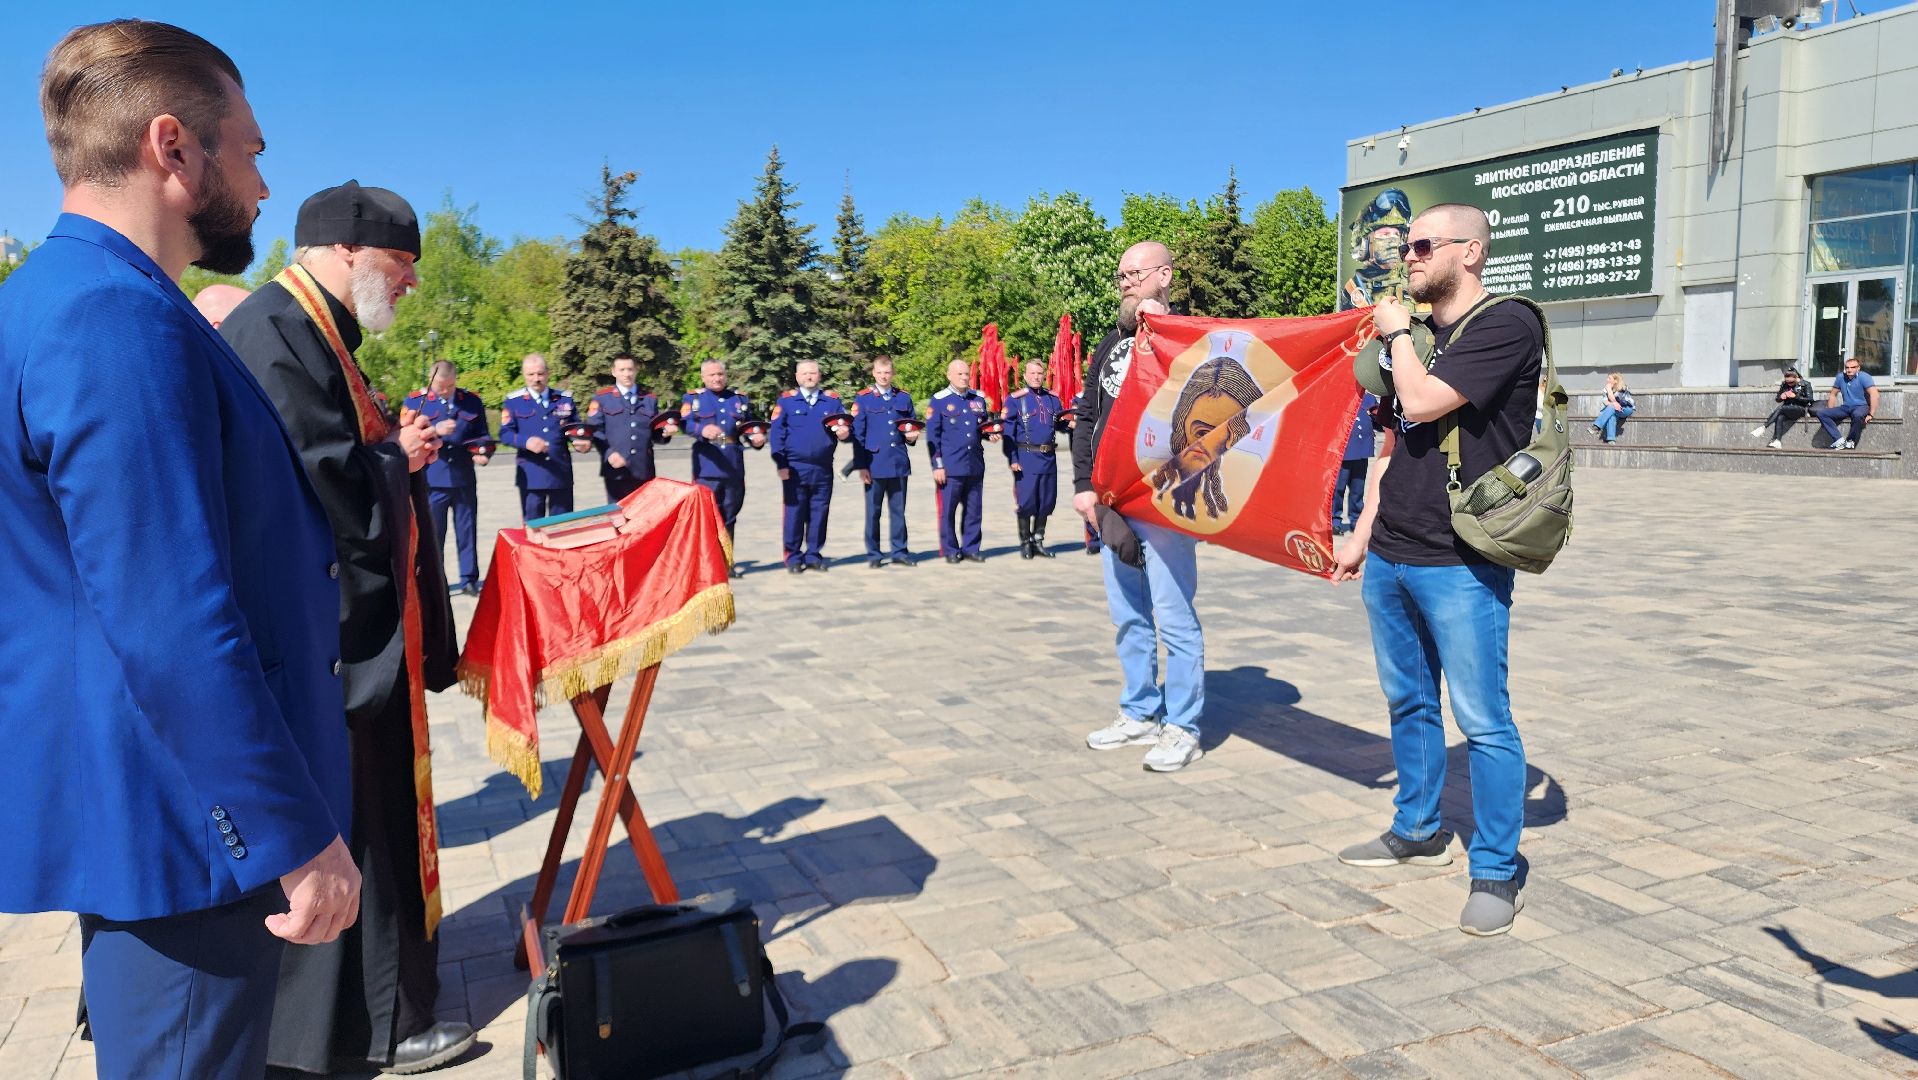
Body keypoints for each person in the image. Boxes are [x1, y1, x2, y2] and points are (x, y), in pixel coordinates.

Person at [1, 22, 359, 1080]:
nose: (258, 182)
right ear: (173, 147)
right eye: (246, 149)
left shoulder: (55, 297)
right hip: (186, 823)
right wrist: (288, 831)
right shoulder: (113, 315)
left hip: (154, 801)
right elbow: (166, 610)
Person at [222, 181, 473, 1074]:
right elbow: (316, 488)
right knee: (356, 828)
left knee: (369, 823)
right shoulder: (277, 332)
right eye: (401, 265)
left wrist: (383, 453)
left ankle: (381, 1014)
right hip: (326, 647)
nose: (407, 284)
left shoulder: (314, 330)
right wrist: (393, 460)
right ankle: (371, 1030)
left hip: (338, 638)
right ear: (348, 250)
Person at [1329, 202, 1539, 937]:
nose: (1409, 257)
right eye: (1407, 246)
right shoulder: (1421, 335)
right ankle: (1415, 830)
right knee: (1408, 702)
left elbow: (1421, 399)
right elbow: (1392, 443)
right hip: (1393, 553)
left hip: (1462, 561)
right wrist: (1360, 534)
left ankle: (1495, 869)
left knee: (1483, 721)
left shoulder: (1508, 326)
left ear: (1471, 251)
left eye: (1422, 245)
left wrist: (1392, 336)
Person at [1072, 242, 1206, 773]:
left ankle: (1183, 726)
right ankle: (1139, 711)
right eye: (1121, 274)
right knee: (1129, 615)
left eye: (1136, 273)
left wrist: (1164, 330)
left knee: (1174, 617)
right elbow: (1087, 417)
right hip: (1111, 502)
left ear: (1164, 276)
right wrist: (1084, 485)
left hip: (1168, 501)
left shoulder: (1193, 338)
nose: (1125, 282)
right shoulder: (1110, 342)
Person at [405, 360, 491, 597]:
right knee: (433, 534)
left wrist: (483, 453)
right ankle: (435, 582)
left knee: (467, 530)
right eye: (441, 387)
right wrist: (436, 429)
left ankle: (469, 579)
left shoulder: (471, 401)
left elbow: (483, 435)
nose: (446, 391)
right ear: (431, 381)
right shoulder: (416, 403)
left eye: (451, 385)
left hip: (464, 477)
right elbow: (408, 436)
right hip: (433, 479)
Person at [680, 358, 759, 574]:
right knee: (706, 516)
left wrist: (757, 439)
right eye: (712, 375)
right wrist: (701, 431)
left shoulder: (738, 398)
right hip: (708, 465)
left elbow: (748, 426)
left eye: (720, 374)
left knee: (730, 514)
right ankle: (705, 564)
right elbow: (684, 422)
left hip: (733, 463)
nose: (717, 378)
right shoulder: (694, 398)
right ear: (703, 377)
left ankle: (726, 562)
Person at [768, 359, 848, 571]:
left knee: (819, 512)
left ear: (819, 375)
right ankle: (793, 557)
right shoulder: (786, 402)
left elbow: (847, 429)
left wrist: (845, 433)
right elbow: (777, 435)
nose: (809, 377)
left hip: (823, 467)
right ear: (797, 377)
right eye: (805, 374)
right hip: (795, 467)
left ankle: (813, 555)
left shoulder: (831, 402)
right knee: (795, 512)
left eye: (813, 373)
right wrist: (781, 463)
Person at [500, 353, 585, 519]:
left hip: (560, 472)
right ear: (524, 375)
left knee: (562, 526)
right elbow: (505, 434)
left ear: (548, 373)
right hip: (531, 473)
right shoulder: (514, 401)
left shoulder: (563, 399)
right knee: (533, 528)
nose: (536, 379)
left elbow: (575, 429)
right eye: (530, 374)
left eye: (540, 374)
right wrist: (526, 442)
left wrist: (580, 441)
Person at [926, 358, 995, 563]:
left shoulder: (978, 398)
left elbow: (981, 426)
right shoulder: (939, 400)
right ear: (949, 376)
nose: (964, 377)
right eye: (959, 374)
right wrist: (937, 466)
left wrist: (990, 434)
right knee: (948, 511)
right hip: (950, 466)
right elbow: (932, 437)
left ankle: (971, 548)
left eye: (966, 374)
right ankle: (950, 549)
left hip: (974, 464)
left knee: (974, 509)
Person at [851, 356, 917, 567]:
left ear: (892, 373)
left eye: (887, 372)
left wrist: (913, 438)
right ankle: (874, 555)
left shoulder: (903, 398)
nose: (884, 376)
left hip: (898, 463)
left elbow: (911, 426)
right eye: (880, 372)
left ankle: (899, 552)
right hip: (874, 464)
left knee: (898, 511)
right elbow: (858, 435)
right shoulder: (864, 399)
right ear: (874, 373)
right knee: (874, 512)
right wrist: (861, 466)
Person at [1003, 359, 1064, 559]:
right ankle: (1025, 542)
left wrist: (1073, 422)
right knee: (1026, 501)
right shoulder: (1015, 400)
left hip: (1048, 457)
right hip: (1026, 457)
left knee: (1046, 501)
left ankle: (1038, 540)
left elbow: (1060, 424)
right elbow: (1008, 433)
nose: (1036, 377)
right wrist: (1012, 458)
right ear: (1025, 376)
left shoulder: (1053, 399)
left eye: (1039, 373)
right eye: (1032, 373)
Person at [587, 353, 665, 502]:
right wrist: (609, 453)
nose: (626, 374)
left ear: (636, 370)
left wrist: (666, 433)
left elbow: (656, 434)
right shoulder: (603, 398)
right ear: (613, 372)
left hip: (643, 468)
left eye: (630, 369)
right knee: (619, 516)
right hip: (616, 468)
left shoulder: (649, 399)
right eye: (622, 370)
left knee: (644, 516)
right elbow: (595, 430)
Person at [1341, 188, 1413, 310]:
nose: (1392, 241)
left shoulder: (1414, 287)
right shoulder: (1352, 292)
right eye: (1384, 234)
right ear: (1365, 243)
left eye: (1396, 235)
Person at [1334, 390, 1379, 535]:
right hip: (1343, 451)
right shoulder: (1337, 396)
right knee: (1338, 489)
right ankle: (1335, 521)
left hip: (1361, 451)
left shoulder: (1369, 398)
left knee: (1357, 490)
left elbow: (1378, 421)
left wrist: (1377, 414)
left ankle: (1357, 520)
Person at [1817, 355, 1878, 450]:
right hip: (1845, 407)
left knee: (1857, 415)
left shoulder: (1864, 377)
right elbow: (1833, 394)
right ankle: (1838, 439)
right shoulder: (1840, 377)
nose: (1849, 370)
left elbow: (1874, 394)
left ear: (1858, 368)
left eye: (1853, 367)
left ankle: (1850, 441)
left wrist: (1871, 414)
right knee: (1821, 413)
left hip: (1861, 406)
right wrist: (1831, 410)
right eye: (1847, 367)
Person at [1756, 367, 1813, 448]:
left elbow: (1810, 399)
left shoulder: (1805, 384)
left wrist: (1795, 397)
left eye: (1791, 382)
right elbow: (1777, 398)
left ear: (1796, 378)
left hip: (1801, 408)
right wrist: (1781, 397)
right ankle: (1777, 441)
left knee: (1781, 408)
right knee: (1780, 417)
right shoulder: (1784, 384)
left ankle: (1764, 426)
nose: (1789, 384)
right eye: (1787, 382)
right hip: (1787, 408)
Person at [1590, 373, 1635, 444]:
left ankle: (1597, 426)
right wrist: (1613, 403)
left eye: (1609, 378)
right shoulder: (1606, 389)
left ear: (1615, 381)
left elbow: (1617, 401)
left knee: (1612, 407)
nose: (1606, 380)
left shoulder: (1623, 387)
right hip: (1614, 409)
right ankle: (1611, 439)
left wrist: (1609, 391)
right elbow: (1605, 402)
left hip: (1626, 408)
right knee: (1611, 416)